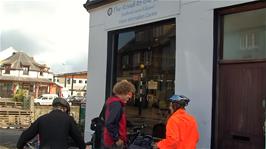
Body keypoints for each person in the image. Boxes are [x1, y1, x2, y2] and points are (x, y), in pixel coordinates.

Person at [17, 97, 86, 149]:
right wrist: (82, 147)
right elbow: (78, 137)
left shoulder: (42, 119)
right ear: (64, 109)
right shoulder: (68, 119)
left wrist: (20, 146)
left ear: (53, 107)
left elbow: (25, 136)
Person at [104, 80, 136, 149]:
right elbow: (110, 123)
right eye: (129, 94)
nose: (130, 97)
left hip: (110, 141)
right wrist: (117, 139)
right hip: (113, 143)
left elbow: (116, 119)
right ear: (123, 92)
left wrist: (130, 124)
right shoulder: (116, 105)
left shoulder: (113, 102)